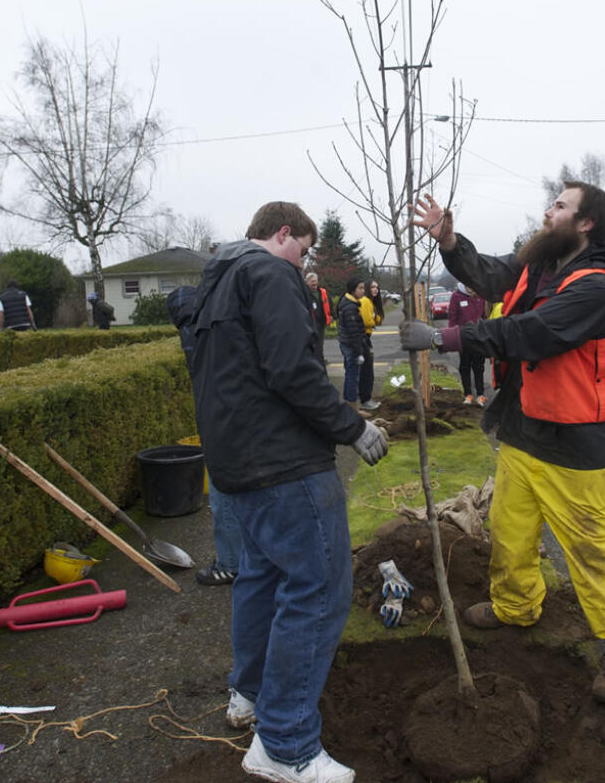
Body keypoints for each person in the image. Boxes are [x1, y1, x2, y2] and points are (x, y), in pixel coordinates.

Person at [399, 183, 605, 704]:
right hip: (525, 428)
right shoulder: (541, 266)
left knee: (591, 547)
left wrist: (446, 338)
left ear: (586, 224)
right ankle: (516, 606)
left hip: (576, 442)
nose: (547, 211)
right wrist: (450, 241)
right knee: (509, 527)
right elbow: (493, 275)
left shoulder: (598, 288)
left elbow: (531, 332)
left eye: (560, 206)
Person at [187, 201, 388, 783]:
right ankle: (286, 744)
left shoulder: (217, 279)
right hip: (284, 466)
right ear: (283, 234)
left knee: (262, 576)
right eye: (303, 249)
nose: (304, 265)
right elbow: (291, 371)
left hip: (237, 466)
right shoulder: (270, 273)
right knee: (319, 587)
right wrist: (354, 427)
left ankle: (248, 695)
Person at [166, 284, 243, 587]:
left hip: (219, 423)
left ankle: (230, 563)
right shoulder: (218, 324)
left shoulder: (192, 333)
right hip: (240, 418)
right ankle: (251, 557)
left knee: (223, 494)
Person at [448, 282, 487, 405]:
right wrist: (452, 337)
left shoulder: (481, 296)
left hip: (478, 338)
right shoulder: (456, 296)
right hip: (463, 338)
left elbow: (485, 316)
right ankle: (468, 394)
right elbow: (452, 318)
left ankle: (480, 395)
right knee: (465, 367)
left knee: (479, 367)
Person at [335, 277, 368, 415]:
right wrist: (359, 352)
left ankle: (350, 405)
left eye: (363, 288)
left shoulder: (349, 303)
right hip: (350, 345)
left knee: (351, 374)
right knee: (352, 376)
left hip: (346, 343)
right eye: (360, 288)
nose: (363, 291)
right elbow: (354, 332)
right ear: (353, 289)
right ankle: (352, 408)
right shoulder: (350, 308)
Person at [358, 280, 384, 409]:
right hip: (361, 336)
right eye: (373, 287)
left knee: (367, 368)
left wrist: (374, 320)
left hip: (366, 337)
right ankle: (365, 400)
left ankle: (365, 398)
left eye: (377, 287)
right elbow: (367, 321)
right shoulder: (365, 301)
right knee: (367, 370)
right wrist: (373, 320)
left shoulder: (371, 303)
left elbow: (377, 320)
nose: (375, 289)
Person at [304, 271, 331, 364]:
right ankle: (314, 360)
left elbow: (329, 304)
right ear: (307, 282)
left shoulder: (322, 292)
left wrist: (332, 316)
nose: (314, 283)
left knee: (320, 343)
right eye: (312, 281)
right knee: (312, 343)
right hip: (310, 323)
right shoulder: (304, 293)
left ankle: (320, 360)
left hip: (321, 322)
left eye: (315, 281)